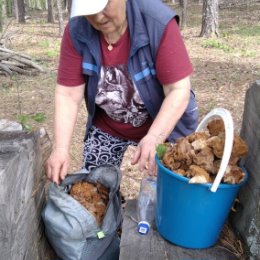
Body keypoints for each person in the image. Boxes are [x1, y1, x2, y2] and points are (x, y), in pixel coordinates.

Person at [46, 0, 199, 184]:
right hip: (109, 124)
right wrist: (61, 149)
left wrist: (154, 136)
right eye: (89, 11)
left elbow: (178, 90)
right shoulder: (77, 30)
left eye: (104, 6)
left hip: (167, 126)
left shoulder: (157, 22)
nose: (98, 17)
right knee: (95, 187)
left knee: (170, 191)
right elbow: (68, 94)